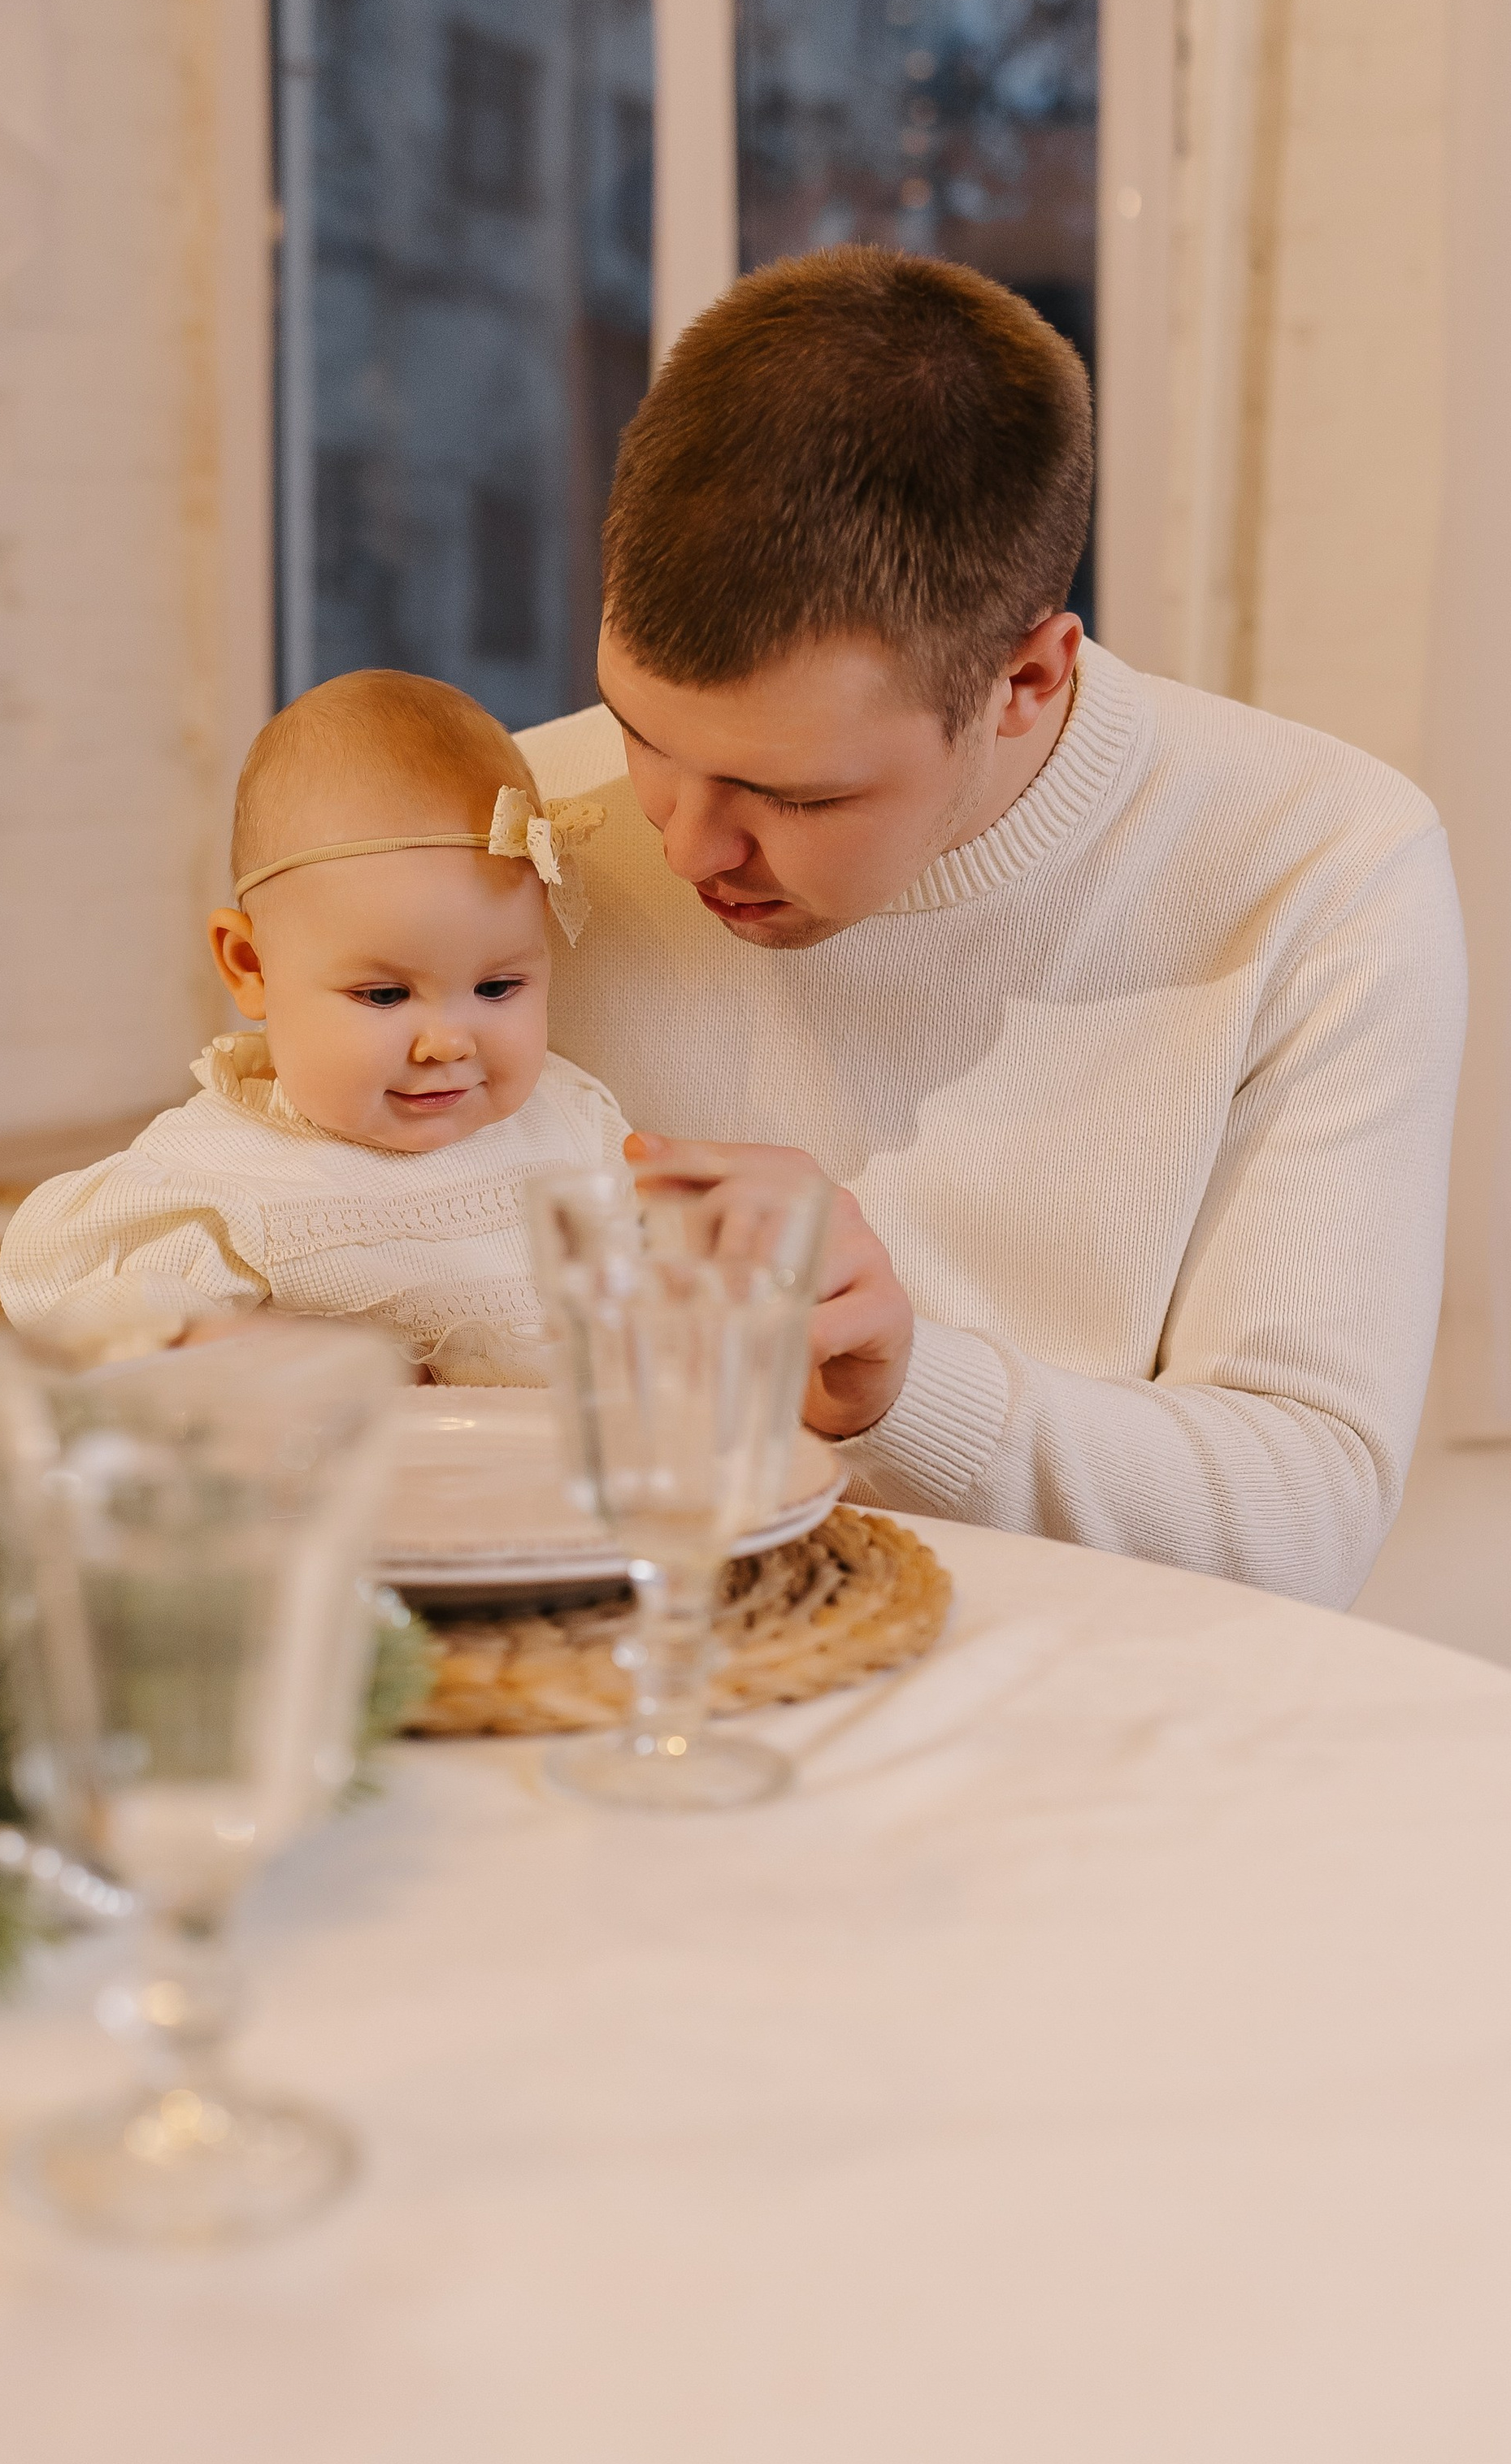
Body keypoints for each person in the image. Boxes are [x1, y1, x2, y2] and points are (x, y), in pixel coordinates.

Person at [520, 246, 1466, 1609]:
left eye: (797, 793)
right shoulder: (513, 828)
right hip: (585, 1707)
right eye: (638, 730)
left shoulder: (1320, 869)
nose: (681, 843)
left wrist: (906, 1389)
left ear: (1026, 677)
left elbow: (1303, 1524)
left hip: (1085, 1745)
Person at [0, 670, 629, 1381]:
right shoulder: (230, 1170)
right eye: (386, 995)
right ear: (250, 967)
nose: (449, 1043)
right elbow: (76, 1305)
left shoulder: (569, 1126)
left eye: (497, 986)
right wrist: (196, 1346)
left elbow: (665, 1291)